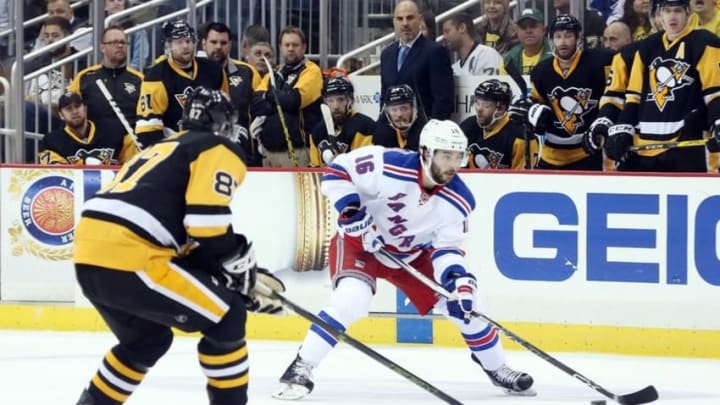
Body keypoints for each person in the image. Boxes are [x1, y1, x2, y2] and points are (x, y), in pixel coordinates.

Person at [273, 119, 535, 400]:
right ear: (425, 152)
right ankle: (301, 366)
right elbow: (337, 172)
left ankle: (496, 368)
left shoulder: (459, 199)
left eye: (458, 156)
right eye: (446, 155)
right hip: (359, 244)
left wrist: (459, 282)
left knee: (469, 308)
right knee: (352, 299)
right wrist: (351, 212)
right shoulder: (387, 163)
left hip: (410, 255)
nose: (452, 164)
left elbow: (447, 250)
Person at [73, 87, 286, 405]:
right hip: (133, 256)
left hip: (90, 255)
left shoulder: (156, 150)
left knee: (146, 342)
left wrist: (229, 270)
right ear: (224, 124)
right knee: (227, 316)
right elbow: (204, 223)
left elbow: (177, 233)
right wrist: (235, 263)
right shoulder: (216, 148)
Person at [605, 0, 720, 172]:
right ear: (660, 15)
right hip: (643, 147)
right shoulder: (646, 46)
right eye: (667, 11)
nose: (672, 17)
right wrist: (624, 127)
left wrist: (717, 121)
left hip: (684, 146)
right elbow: (633, 97)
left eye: (678, 11)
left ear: (689, 14)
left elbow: (714, 92)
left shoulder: (705, 42)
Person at [513, 14, 613, 170]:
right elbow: (535, 105)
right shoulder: (541, 71)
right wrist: (532, 113)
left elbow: (614, 96)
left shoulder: (600, 62)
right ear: (551, 40)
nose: (563, 42)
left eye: (568, 36)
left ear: (578, 38)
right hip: (551, 154)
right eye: (558, 36)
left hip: (588, 152)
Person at [134, 19, 229, 149]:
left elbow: (224, 109)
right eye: (179, 42)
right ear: (168, 46)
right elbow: (148, 128)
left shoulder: (214, 70)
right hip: (173, 148)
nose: (185, 46)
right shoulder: (156, 76)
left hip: (208, 145)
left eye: (188, 41)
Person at [250, 25, 323, 167]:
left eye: (295, 45)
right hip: (268, 151)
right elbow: (256, 103)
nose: (290, 48)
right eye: (287, 45)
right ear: (280, 47)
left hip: (297, 151)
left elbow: (294, 100)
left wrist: (270, 95)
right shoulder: (275, 71)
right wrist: (276, 98)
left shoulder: (312, 71)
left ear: (304, 47)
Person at [380, 0, 454, 120]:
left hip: (423, 129)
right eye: (400, 19)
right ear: (394, 22)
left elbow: (443, 100)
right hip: (392, 131)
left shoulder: (435, 52)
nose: (405, 23)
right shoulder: (387, 55)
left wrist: (431, 131)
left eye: (410, 18)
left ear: (419, 20)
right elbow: (384, 97)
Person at [202, 21, 262, 166]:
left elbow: (261, 109)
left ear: (230, 45)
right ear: (204, 44)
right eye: (213, 42)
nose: (218, 47)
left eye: (223, 43)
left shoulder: (248, 72)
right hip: (203, 157)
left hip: (243, 156)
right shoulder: (193, 74)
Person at [68, 25, 144, 130]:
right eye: (114, 42)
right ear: (102, 48)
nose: (120, 46)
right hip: (96, 142)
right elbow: (71, 109)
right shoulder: (84, 77)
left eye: (123, 42)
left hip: (130, 141)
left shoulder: (139, 79)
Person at [38, 91, 138, 165]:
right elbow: (56, 172)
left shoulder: (113, 131)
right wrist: (84, 163)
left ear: (85, 109)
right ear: (61, 115)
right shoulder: (51, 142)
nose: (74, 112)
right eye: (68, 109)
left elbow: (133, 163)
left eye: (77, 106)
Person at [461, 79, 538, 169]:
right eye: (477, 103)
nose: (479, 109)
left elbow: (522, 179)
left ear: (501, 109)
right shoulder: (468, 126)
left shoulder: (520, 136)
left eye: (486, 105)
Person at [308, 77, 374, 167]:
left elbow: (366, 168)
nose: (336, 106)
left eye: (341, 99)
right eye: (330, 100)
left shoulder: (365, 127)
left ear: (350, 101)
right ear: (325, 103)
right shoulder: (317, 132)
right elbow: (315, 168)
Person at [372, 84, 427, 150]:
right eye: (394, 110)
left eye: (404, 108)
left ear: (414, 109)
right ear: (387, 113)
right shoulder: (381, 136)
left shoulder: (426, 134)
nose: (399, 114)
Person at [503, 8, 553, 75]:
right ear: (517, 32)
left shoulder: (557, 56)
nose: (528, 31)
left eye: (533, 26)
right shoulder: (508, 59)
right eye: (523, 27)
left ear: (543, 30)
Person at [105, 0, 150, 71]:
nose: (116, 2)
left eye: (120, 0)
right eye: (111, 0)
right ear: (105, 6)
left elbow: (139, 61)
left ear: (125, 4)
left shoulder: (137, 30)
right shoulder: (97, 30)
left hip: (128, 76)